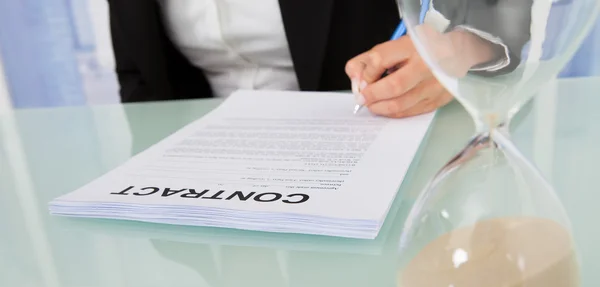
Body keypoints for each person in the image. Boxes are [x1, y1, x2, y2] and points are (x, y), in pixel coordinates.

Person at [108, 0, 532, 119]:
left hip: (374, 144)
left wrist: (459, 48)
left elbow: (503, 15)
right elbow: (139, 77)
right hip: (199, 188)